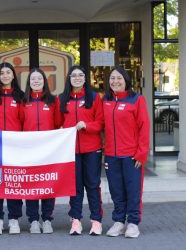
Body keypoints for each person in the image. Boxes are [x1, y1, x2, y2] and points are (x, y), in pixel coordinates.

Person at [102, 66, 149, 238]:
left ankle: (133, 223)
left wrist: (142, 153)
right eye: (112, 78)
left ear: (126, 80)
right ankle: (119, 221)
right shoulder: (105, 100)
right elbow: (99, 124)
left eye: (119, 78)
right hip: (111, 155)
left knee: (133, 190)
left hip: (131, 156)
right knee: (116, 190)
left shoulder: (137, 99)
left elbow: (144, 127)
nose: (115, 81)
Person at [58, 65, 104, 236]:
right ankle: (75, 220)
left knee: (92, 185)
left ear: (85, 79)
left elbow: (100, 123)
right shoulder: (62, 99)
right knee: (75, 187)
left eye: (80, 75)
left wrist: (87, 126)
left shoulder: (94, 97)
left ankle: (96, 220)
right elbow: (58, 123)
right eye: (73, 75)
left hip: (92, 148)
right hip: (70, 150)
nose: (77, 78)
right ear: (69, 78)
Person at [0, 62, 24, 235]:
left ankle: (14, 219)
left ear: (13, 75)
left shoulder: (21, 96)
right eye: (2, 73)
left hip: (15, 147)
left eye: (8, 72)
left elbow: (24, 121)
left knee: (14, 184)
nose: (5, 75)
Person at [20, 68, 61, 234]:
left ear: (44, 81)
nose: (36, 82)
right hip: (29, 150)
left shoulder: (53, 101)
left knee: (48, 185)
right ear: (29, 82)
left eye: (39, 79)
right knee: (31, 185)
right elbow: (20, 124)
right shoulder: (23, 101)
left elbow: (58, 123)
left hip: (48, 151)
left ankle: (47, 219)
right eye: (33, 79)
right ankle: (33, 220)